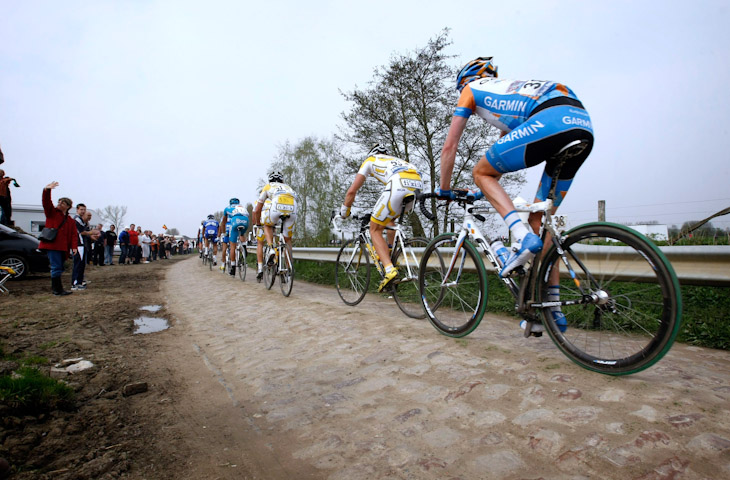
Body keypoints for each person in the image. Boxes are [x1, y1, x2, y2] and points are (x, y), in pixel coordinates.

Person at [437, 56, 594, 332]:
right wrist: (479, 191)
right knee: (540, 224)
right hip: (580, 123)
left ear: (465, 80)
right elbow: (500, 162)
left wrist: (445, 189)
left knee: (479, 171)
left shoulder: (470, 90)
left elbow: (450, 147)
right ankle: (550, 311)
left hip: (548, 120)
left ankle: (520, 239)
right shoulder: (513, 94)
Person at [340, 143, 423, 291]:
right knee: (389, 220)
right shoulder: (396, 160)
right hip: (417, 185)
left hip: (397, 184)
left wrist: (345, 211)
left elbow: (351, 192)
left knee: (374, 229)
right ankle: (391, 255)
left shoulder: (370, 160)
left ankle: (390, 269)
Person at [252, 171, 297, 281]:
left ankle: (271, 247)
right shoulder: (288, 187)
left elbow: (257, 209)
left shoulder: (268, 186)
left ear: (270, 180)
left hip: (277, 207)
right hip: (292, 208)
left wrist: (258, 224)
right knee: (287, 240)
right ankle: (289, 270)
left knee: (267, 225)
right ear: (282, 180)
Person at [38, 182, 77, 295]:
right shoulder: (52, 213)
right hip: (52, 245)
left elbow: (73, 234)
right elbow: (46, 203)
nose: (59, 204)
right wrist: (47, 190)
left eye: (62, 203)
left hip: (63, 247)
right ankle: (57, 290)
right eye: (59, 202)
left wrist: (74, 247)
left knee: (59, 267)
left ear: (68, 206)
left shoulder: (70, 220)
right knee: (55, 267)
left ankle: (58, 288)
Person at [71, 204, 98, 290]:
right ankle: (75, 283)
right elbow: (82, 232)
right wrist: (91, 232)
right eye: (81, 209)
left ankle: (79, 281)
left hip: (83, 244)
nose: (83, 211)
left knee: (82, 264)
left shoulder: (82, 220)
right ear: (77, 210)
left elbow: (84, 232)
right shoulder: (77, 219)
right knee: (78, 264)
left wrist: (90, 235)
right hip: (79, 245)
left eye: (84, 210)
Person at [220, 198, 250, 276]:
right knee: (242, 234)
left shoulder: (227, 208)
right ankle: (244, 246)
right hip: (245, 221)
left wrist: (223, 233)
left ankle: (233, 266)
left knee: (232, 246)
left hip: (232, 226)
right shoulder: (242, 207)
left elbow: (223, 222)